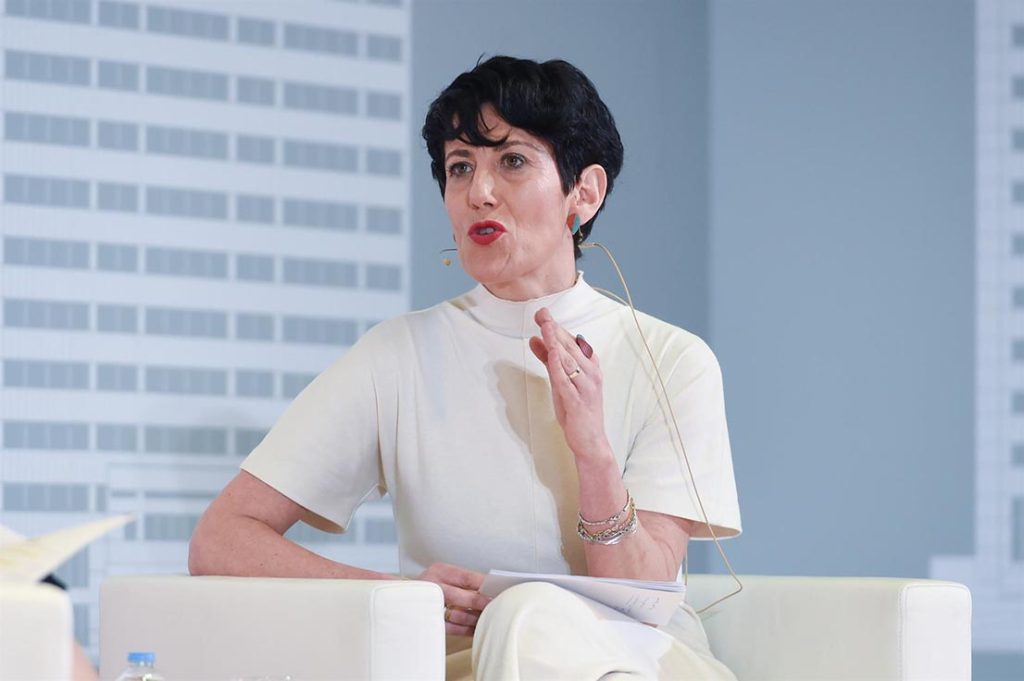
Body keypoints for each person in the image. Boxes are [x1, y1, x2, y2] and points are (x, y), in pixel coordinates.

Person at [189, 55, 741, 680]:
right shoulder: (398, 354)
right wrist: (401, 597)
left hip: (636, 665)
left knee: (530, 612)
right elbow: (221, 538)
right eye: (460, 167)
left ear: (584, 193)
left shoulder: (673, 360)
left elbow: (643, 596)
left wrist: (592, 453)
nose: (479, 192)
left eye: (513, 161)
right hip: (463, 666)